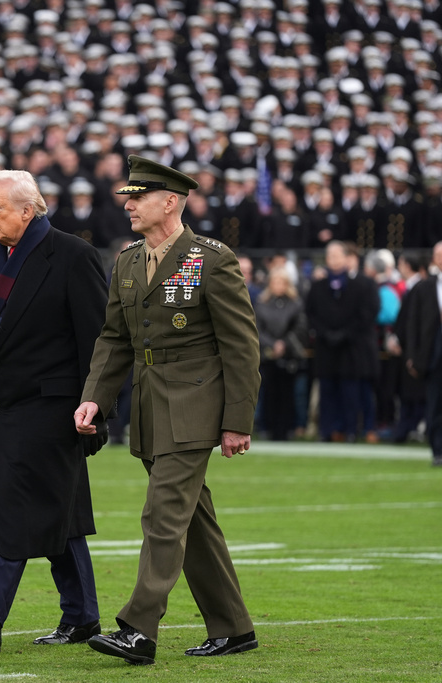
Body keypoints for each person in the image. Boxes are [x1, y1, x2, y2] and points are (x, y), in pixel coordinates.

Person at [74, 155, 261, 666]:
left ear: (171, 202)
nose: (129, 205)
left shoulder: (211, 257)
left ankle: (138, 627)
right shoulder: (128, 260)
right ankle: (233, 628)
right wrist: (95, 395)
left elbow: (241, 347)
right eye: (128, 198)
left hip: (198, 407)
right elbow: (114, 338)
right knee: (193, 521)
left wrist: (236, 421)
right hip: (153, 407)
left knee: (161, 516)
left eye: (138, 197)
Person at [0, 169, 108, 654]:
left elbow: (98, 341)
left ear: (28, 209)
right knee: (62, 514)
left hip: (55, 410)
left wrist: (100, 409)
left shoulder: (73, 255)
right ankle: (81, 617)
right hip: (4, 411)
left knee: (14, 510)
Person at [305, 241, 379, 443]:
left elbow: (366, 314)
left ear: (346, 258)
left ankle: (350, 430)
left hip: (351, 348)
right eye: (330, 256)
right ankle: (327, 430)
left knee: (350, 392)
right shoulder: (318, 286)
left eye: (337, 256)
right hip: (325, 347)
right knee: (327, 391)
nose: (334, 260)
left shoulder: (361, 285)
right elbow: (310, 313)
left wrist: (344, 334)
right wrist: (326, 333)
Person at [398, 240, 442, 466]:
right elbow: (412, 325)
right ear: (434, 259)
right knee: (434, 405)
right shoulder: (424, 288)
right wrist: (412, 356)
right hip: (433, 356)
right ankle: (438, 452)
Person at [254, 268, 309, 441]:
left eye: (281, 282)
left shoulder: (296, 303)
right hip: (267, 356)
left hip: (289, 356)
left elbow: (300, 327)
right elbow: (257, 328)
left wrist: (284, 344)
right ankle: (267, 428)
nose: (278, 285)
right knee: (268, 393)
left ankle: (287, 429)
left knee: (288, 394)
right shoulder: (261, 303)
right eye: (275, 282)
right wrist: (272, 344)